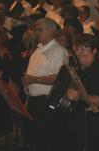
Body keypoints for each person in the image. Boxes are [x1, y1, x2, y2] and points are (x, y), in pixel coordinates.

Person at [23, 17, 68, 151]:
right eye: (35, 29)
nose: (36, 32)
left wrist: (35, 79)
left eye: (40, 29)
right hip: (33, 101)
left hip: (46, 103)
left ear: (52, 31)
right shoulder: (37, 51)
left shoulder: (59, 51)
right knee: (33, 139)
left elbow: (60, 78)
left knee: (44, 142)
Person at [65, 34, 99, 151]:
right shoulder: (77, 70)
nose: (79, 52)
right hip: (76, 124)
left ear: (94, 51)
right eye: (77, 49)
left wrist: (80, 96)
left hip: (95, 126)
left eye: (84, 48)